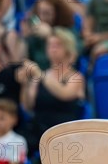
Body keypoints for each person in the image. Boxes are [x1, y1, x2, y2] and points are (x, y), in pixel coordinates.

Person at [24, 27, 85, 155]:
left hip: (64, 130)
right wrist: (24, 83)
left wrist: (40, 75)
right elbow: (29, 106)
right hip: (39, 128)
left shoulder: (76, 77)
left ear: (68, 49)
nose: (53, 48)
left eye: (58, 45)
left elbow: (64, 94)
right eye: (50, 45)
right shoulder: (41, 75)